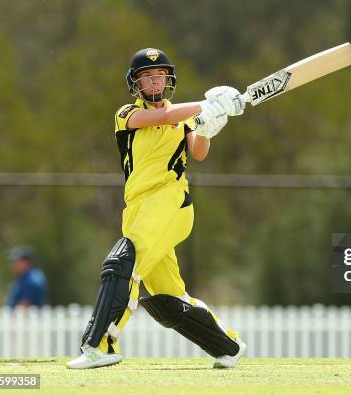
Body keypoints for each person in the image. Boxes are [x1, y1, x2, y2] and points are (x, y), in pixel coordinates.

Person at [67, 48, 246, 369]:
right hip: (138, 207)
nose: (154, 81)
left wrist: (207, 127)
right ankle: (227, 346)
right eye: (147, 76)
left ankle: (99, 346)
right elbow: (164, 116)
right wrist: (208, 105)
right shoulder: (126, 114)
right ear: (135, 83)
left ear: (168, 79)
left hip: (171, 202)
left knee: (122, 263)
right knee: (167, 298)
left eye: (160, 75)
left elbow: (199, 152)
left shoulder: (186, 118)